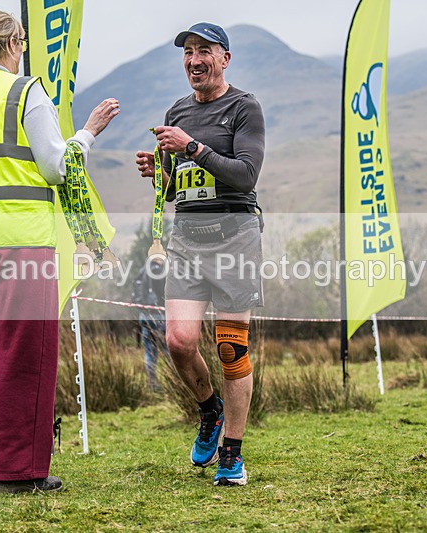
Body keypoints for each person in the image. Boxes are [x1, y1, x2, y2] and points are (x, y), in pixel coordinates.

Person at [0, 10, 119, 493]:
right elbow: (56, 166)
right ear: (16, 45)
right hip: (20, 239)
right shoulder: (25, 91)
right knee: (25, 351)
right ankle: (17, 473)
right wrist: (90, 132)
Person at [135, 22, 265, 486]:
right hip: (188, 240)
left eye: (203, 50)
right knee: (179, 341)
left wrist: (191, 147)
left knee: (230, 347)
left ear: (224, 58)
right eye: (188, 52)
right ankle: (209, 409)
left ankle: (232, 453)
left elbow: (245, 174)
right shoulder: (177, 111)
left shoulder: (244, 107)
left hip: (235, 239)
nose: (194, 60)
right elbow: (174, 190)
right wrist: (158, 172)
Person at [131, 257, 169, 392]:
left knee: (149, 352)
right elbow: (165, 293)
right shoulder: (158, 271)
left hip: (144, 316)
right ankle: (176, 381)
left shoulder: (142, 271)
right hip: (159, 315)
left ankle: (153, 383)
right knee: (168, 349)